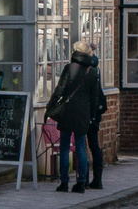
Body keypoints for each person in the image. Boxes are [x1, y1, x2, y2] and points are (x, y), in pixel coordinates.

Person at [46, 42, 105, 193]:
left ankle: (64, 182)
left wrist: (50, 106)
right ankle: (81, 183)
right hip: (83, 113)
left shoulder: (69, 68)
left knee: (64, 147)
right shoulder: (92, 71)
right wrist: (92, 116)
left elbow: (59, 90)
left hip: (67, 112)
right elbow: (94, 97)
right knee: (81, 148)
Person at [83, 47, 106, 190]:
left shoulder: (86, 70)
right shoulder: (95, 69)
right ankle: (97, 179)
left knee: (82, 145)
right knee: (94, 145)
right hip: (95, 111)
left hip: (86, 111)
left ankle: (84, 179)